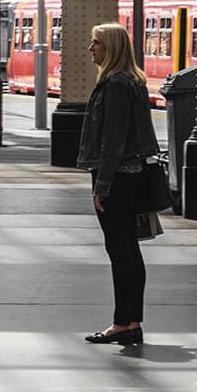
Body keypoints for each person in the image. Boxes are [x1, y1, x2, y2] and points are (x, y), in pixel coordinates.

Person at [77, 22, 160, 346]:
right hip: (132, 175)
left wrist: (103, 185)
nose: (90, 48)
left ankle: (122, 323)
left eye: (96, 43)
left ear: (109, 47)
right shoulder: (133, 82)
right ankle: (131, 321)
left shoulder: (116, 85)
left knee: (120, 251)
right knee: (129, 250)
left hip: (118, 178)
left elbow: (113, 140)